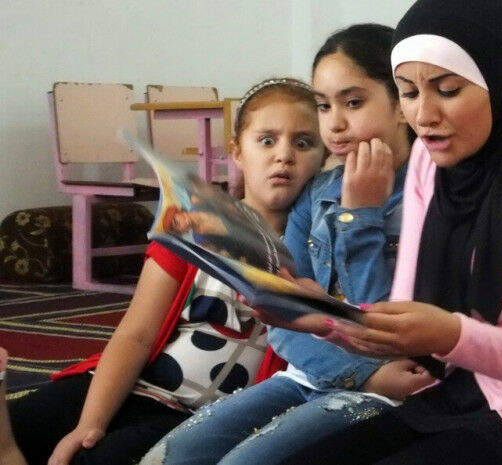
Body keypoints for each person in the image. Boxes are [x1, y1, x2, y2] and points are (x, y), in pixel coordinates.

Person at [270, 1, 502, 464]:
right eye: (407, 92)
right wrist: (319, 318)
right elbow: (404, 316)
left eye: (447, 90)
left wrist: (448, 334)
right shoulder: (432, 155)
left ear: (501, 76)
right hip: (456, 388)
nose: (423, 116)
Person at [139, 24, 428, 465]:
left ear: (402, 103)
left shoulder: (430, 195)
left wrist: (361, 216)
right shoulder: (316, 193)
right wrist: (362, 374)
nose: (334, 122)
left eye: (353, 102)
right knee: (169, 458)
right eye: (323, 105)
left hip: (398, 392)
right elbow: (283, 316)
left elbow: (385, 322)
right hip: (317, 374)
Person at [4, 77, 325, 465]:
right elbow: (137, 334)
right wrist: (90, 424)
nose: (284, 155)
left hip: (199, 418)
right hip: (135, 384)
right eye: (267, 140)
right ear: (237, 152)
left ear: (324, 157)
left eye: (304, 143)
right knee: (25, 421)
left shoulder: (320, 248)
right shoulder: (193, 226)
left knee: (104, 460)